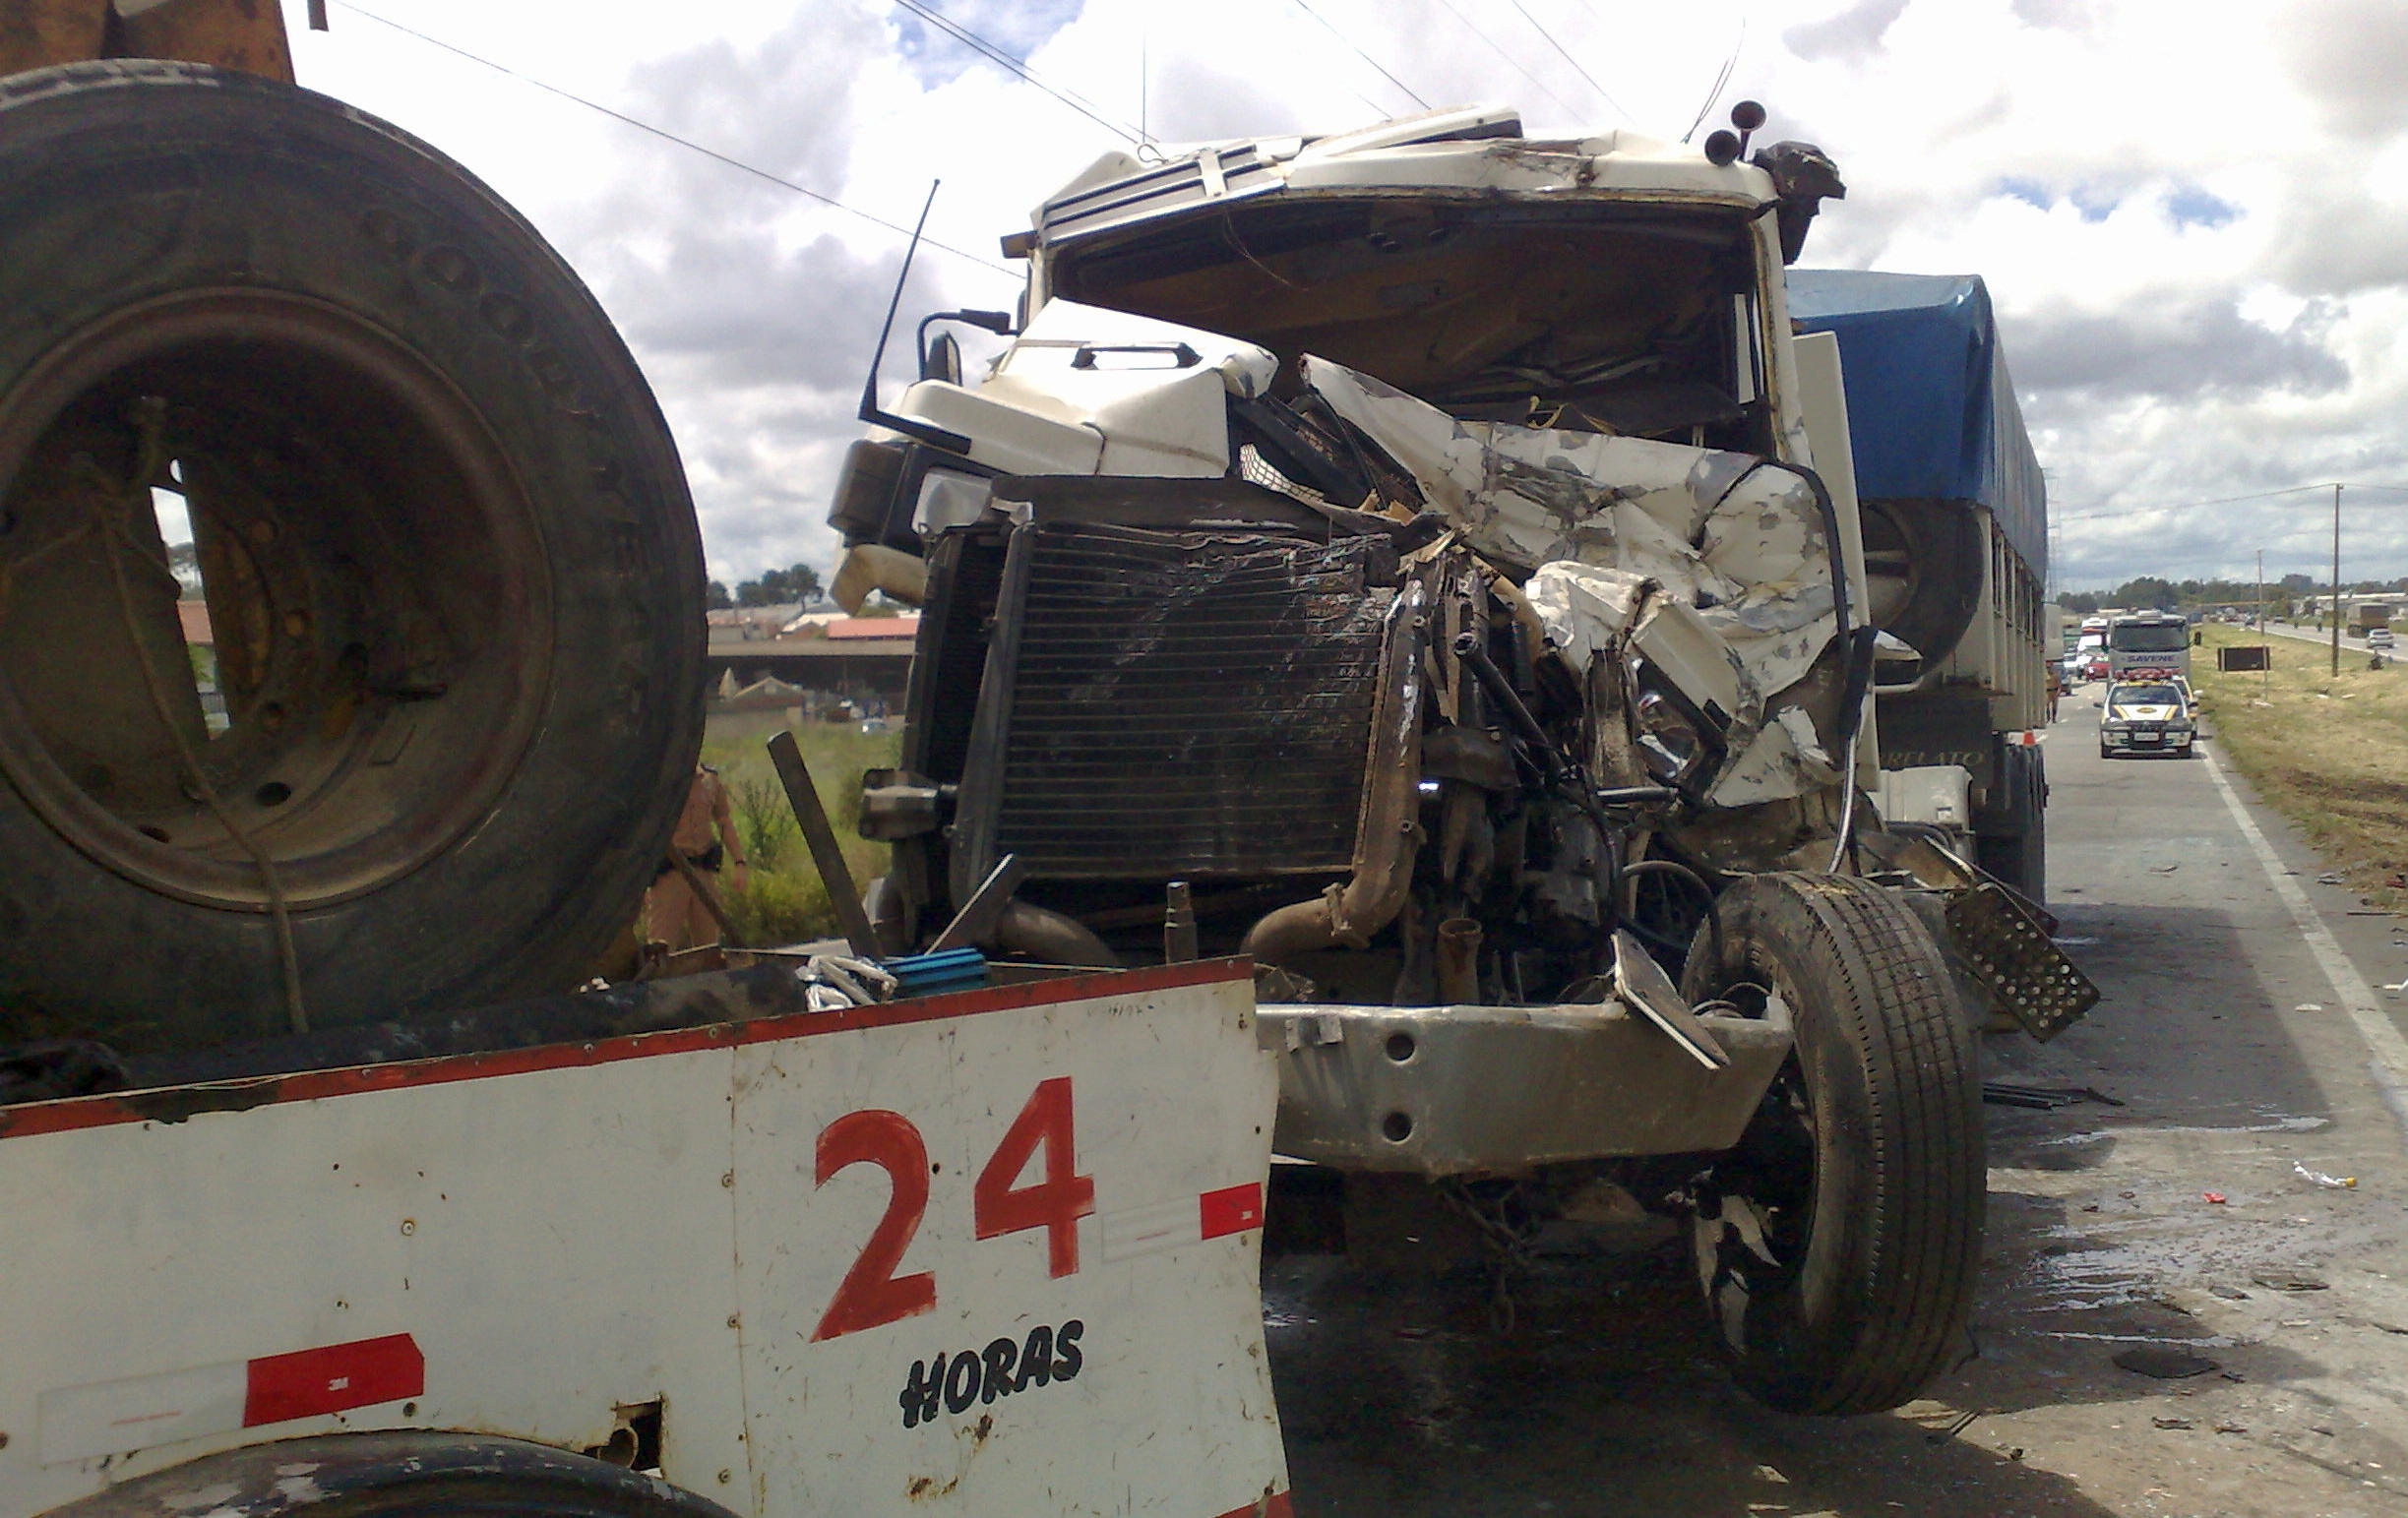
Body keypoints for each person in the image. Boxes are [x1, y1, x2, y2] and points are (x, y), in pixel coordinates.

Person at [643, 762, 748, 952]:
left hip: (702, 869)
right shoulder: (660, 780)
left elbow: (723, 820)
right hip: (671, 872)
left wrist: (739, 862)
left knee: (709, 945)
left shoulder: (709, 779)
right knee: (661, 945)